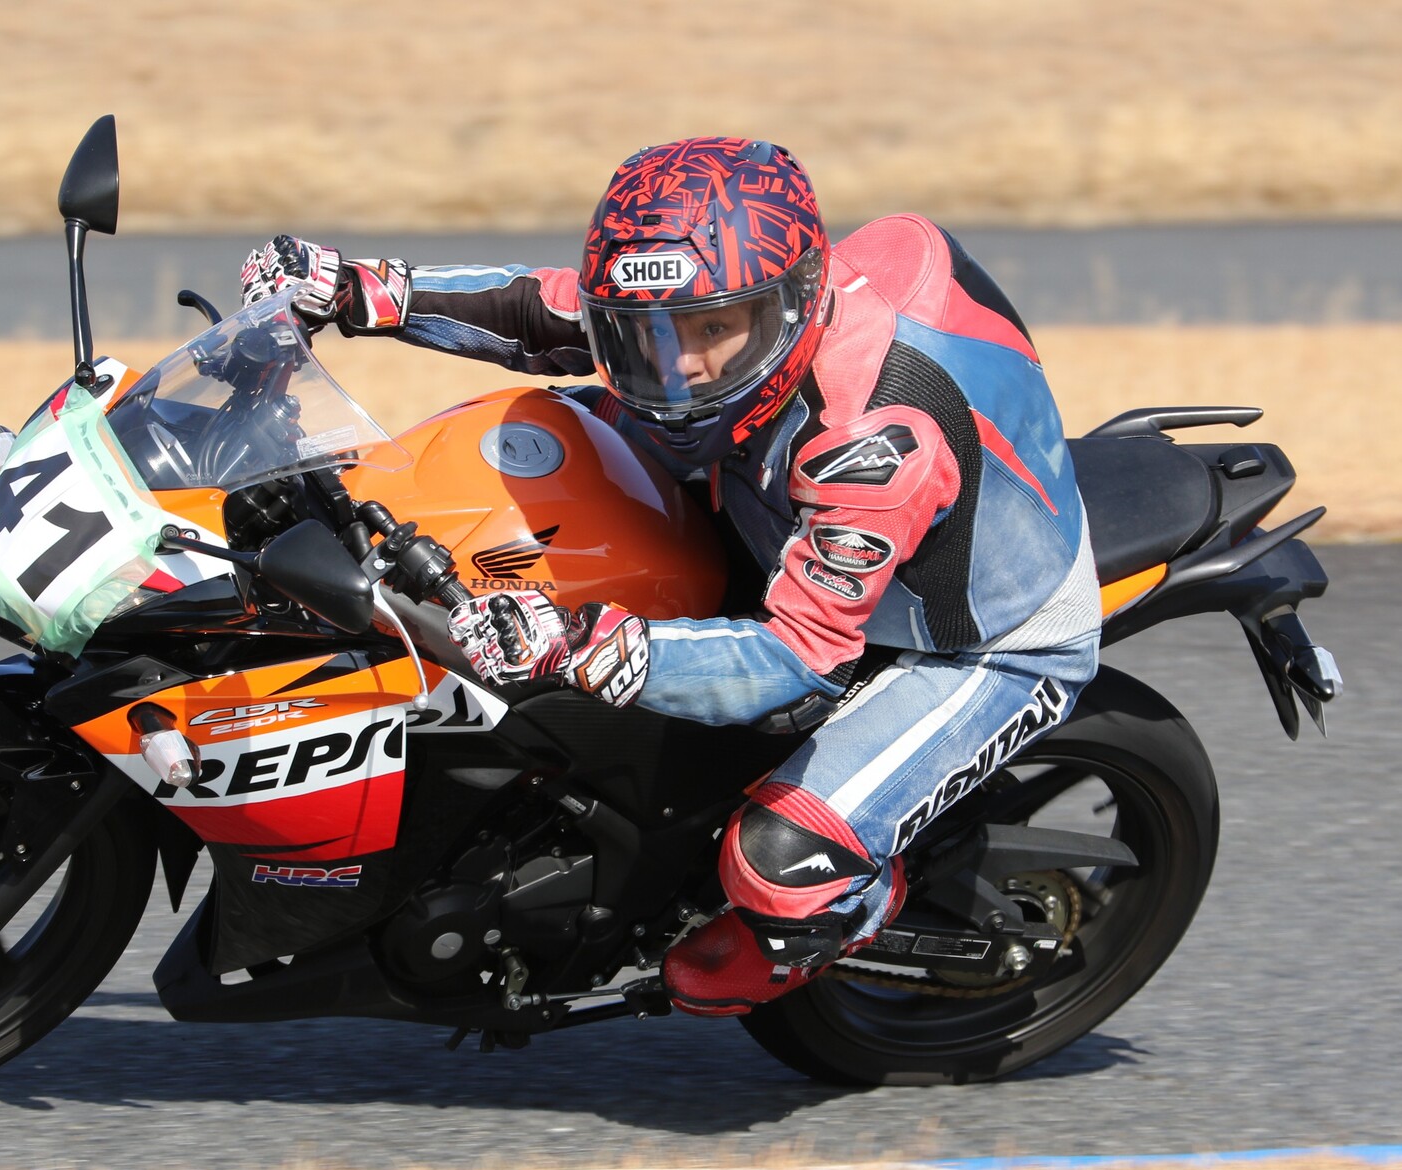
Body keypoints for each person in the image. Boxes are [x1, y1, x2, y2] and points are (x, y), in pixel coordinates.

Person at [240, 136, 1100, 1016]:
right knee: (520, 451)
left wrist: (580, 645)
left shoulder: (870, 449)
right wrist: (356, 288)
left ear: (794, 302)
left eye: (711, 331)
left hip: (979, 641)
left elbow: (802, 658)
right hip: (769, 486)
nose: (676, 365)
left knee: (779, 859)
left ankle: (852, 908)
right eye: (646, 333)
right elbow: (543, 311)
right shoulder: (714, 307)